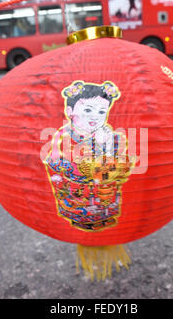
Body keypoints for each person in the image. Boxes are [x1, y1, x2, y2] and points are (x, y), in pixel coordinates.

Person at [43, 81, 133, 232]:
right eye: (88, 110)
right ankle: (84, 220)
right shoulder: (64, 135)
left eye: (101, 112)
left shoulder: (109, 134)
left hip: (103, 181)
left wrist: (110, 148)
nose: (95, 117)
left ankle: (104, 217)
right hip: (77, 184)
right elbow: (58, 160)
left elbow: (118, 157)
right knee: (84, 204)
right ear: (70, 111)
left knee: (106, 200)